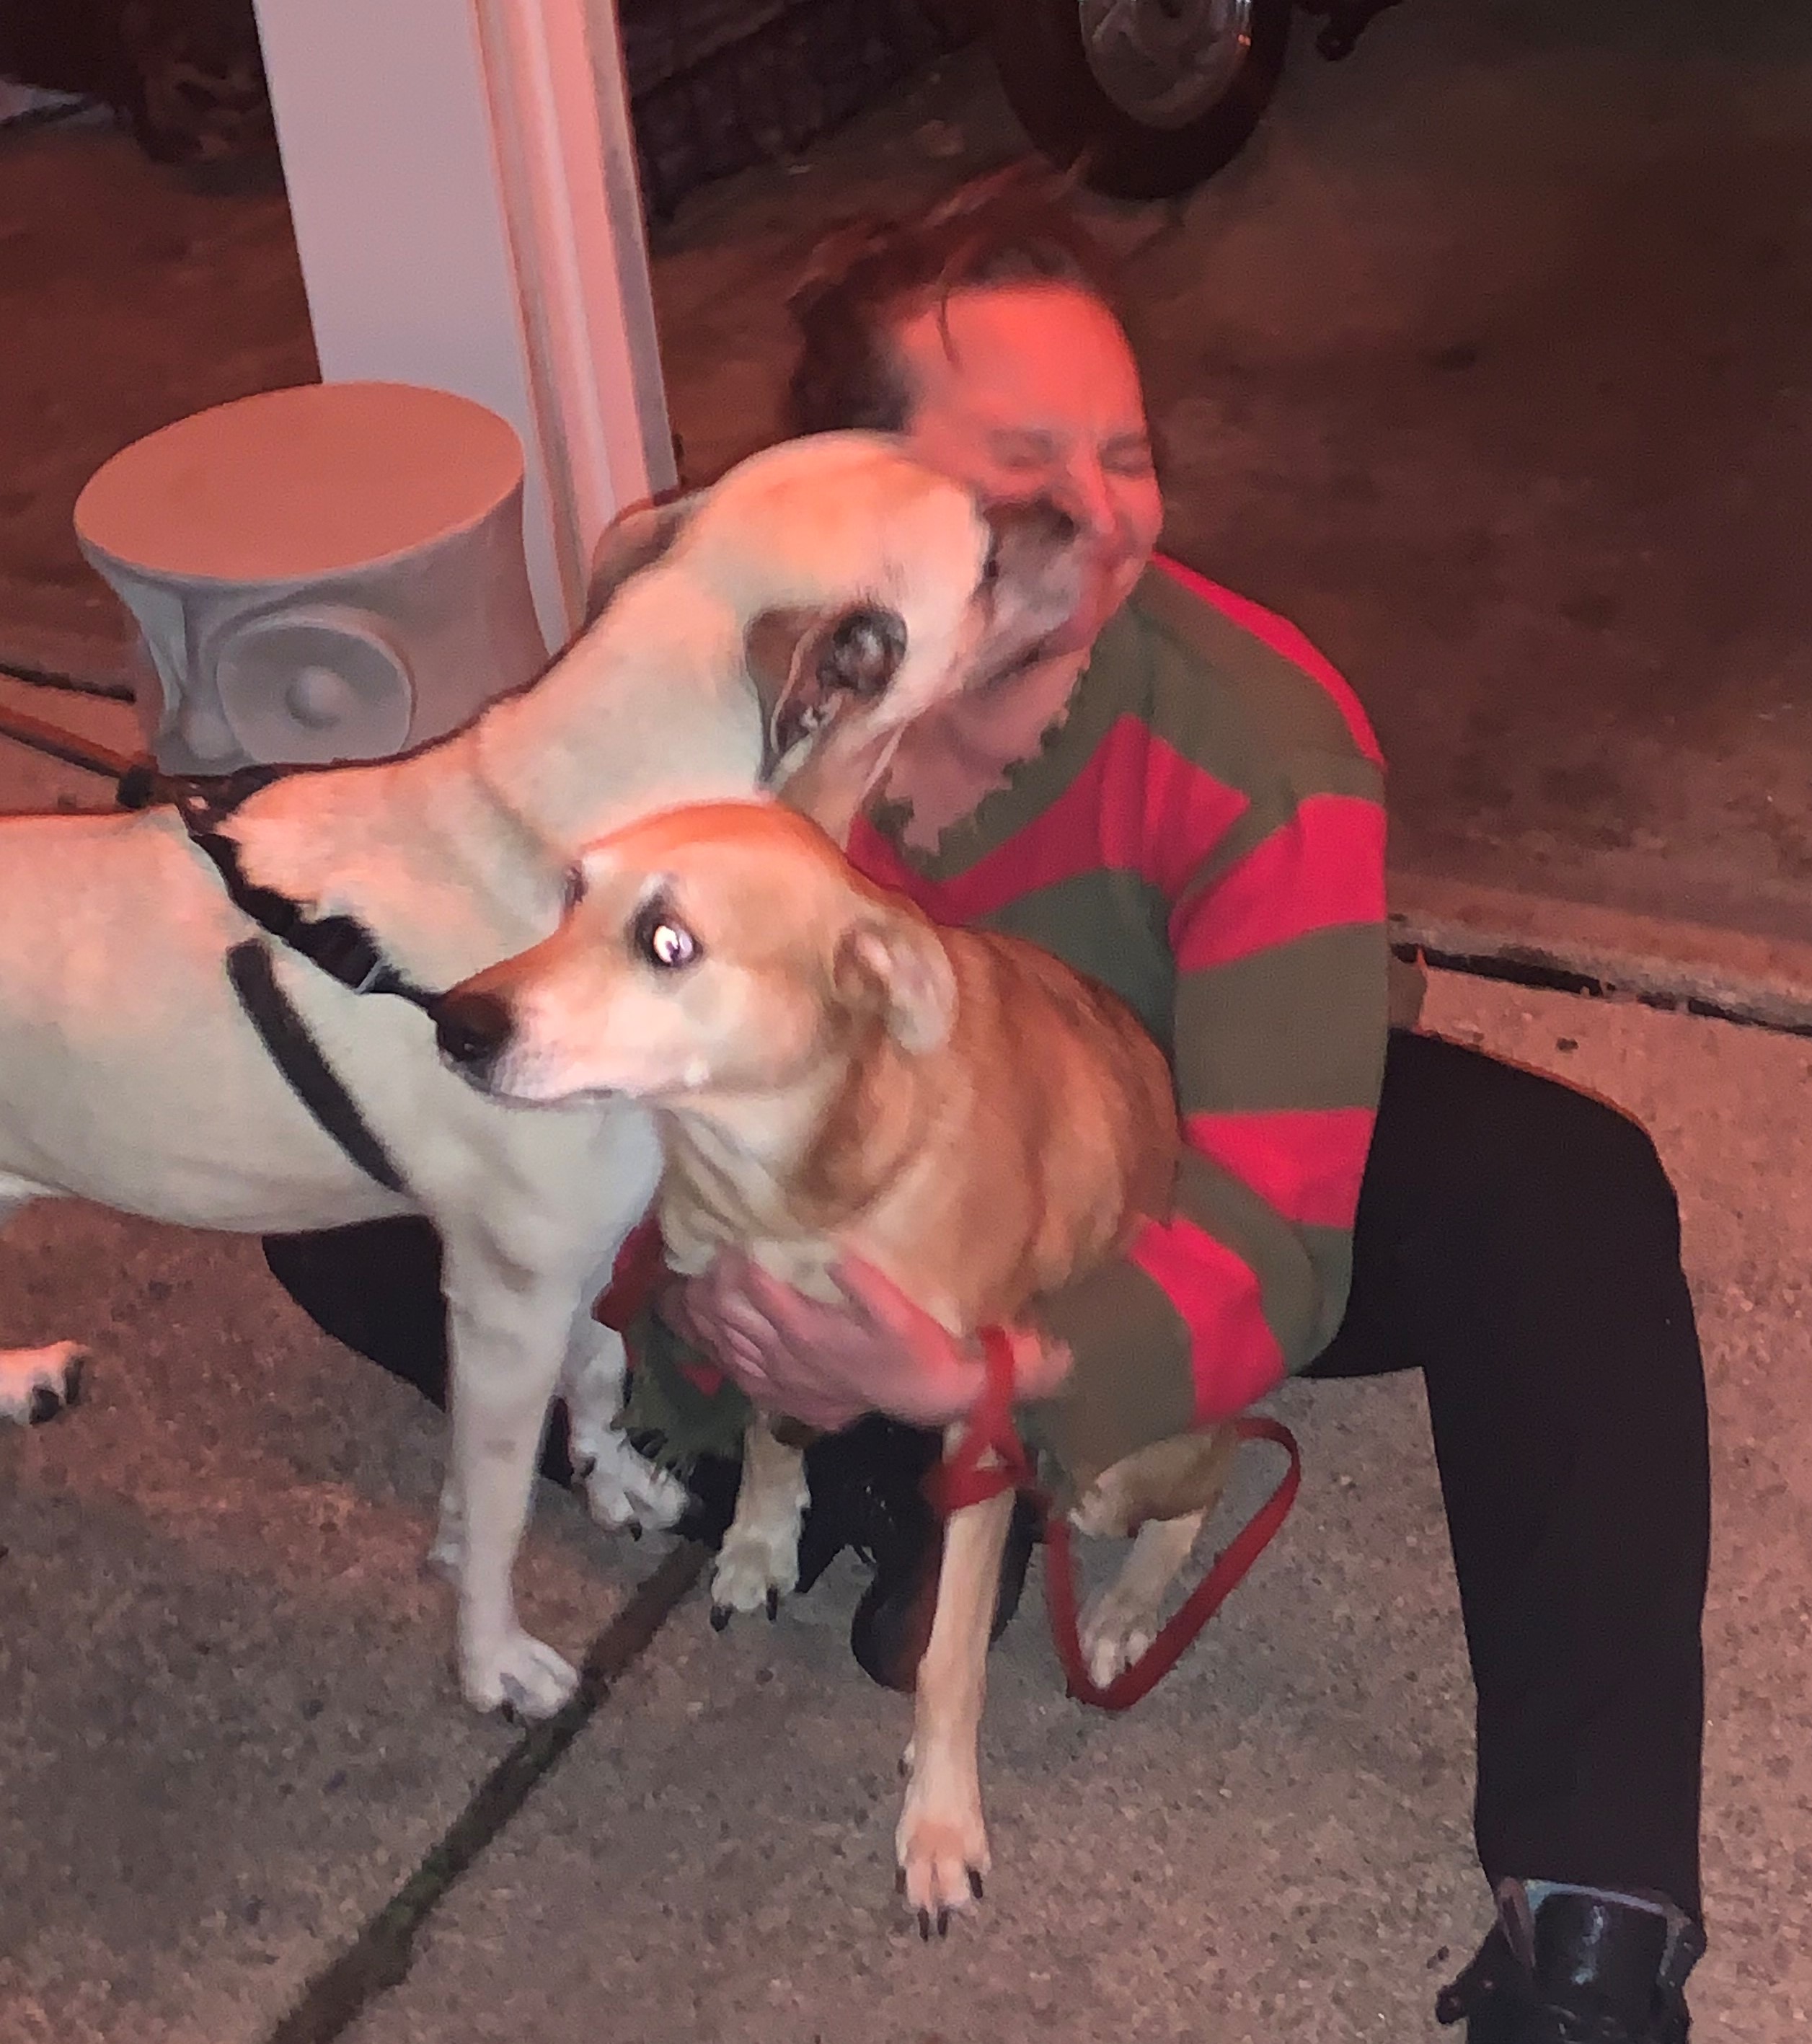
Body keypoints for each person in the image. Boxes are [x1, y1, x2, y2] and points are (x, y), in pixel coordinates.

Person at [265, 168, 1710, 2044]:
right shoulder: (720, 690)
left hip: (1150, 1148)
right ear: (854, 494)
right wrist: (691, 1306)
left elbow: (1272, 1234)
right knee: (327, 1183)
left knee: (1569, 1191)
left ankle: (1590, 1926)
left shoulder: (1262, 743)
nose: (1099, 511)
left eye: (1128, 451)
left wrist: (995, 1374)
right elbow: (561, 998)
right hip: (797, 1178)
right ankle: (836, 1463)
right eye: (1025, 461)